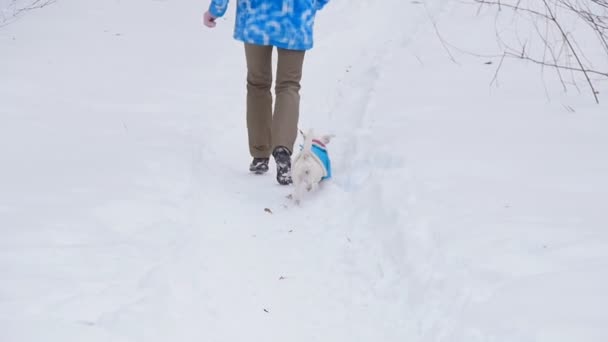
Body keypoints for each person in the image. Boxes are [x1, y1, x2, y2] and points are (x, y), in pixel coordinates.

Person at [202, 0, 329, 185]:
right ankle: (282, 150)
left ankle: (260, 154)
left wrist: (216, 10)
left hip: (255, 15)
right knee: (289, 85)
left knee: (257, 85)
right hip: (295, 17)